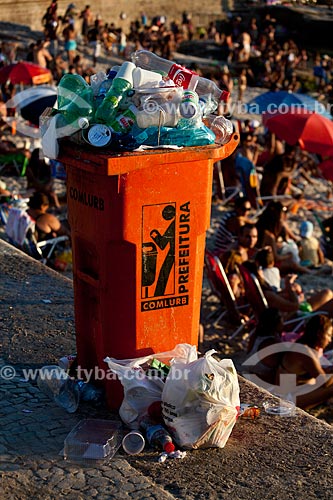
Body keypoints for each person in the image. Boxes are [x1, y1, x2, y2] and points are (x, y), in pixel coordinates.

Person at [277, 315, 333, 409]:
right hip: (285, 399)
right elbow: (325, 382)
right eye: (329, 335)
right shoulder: (305, 352)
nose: (330, 340)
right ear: (319, 334)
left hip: (288, 394)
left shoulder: (302, 346)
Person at [246, 307, 284, 384]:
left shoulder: (256, 335)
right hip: (263, 381)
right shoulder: (273, 343)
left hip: (250, 373)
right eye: (282, 319)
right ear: (277, 323)